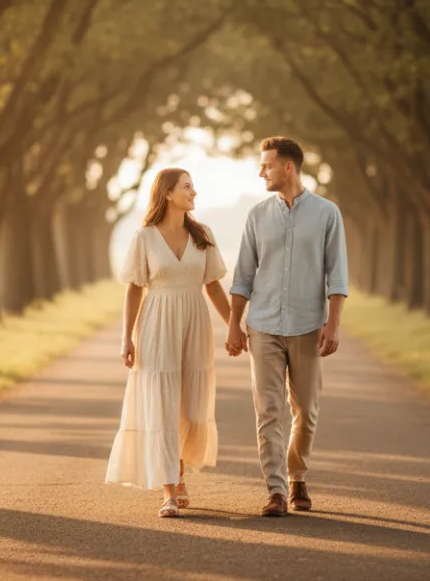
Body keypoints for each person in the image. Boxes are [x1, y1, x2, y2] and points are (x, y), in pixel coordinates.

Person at [226, 136, 348, 517]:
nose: (261, 172)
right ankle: (277, 490)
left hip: (308, 325)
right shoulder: (257, 215)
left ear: (288, 167)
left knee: (306, 411)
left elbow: (337, 276)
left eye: (267, 165)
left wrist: (333, 325)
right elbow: (243, 275)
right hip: (262, 325)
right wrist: (234, 324)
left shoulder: (328, 213)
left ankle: (297, 476)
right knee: (268, 410)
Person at [106, 168, 231, 518]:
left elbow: (213, 286)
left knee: (190, 408)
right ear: (168, 193)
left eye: (193, 185)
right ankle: (169, 491)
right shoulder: (144, 237)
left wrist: (235, 326)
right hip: (156, 323)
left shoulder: (202, 234)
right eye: (187, 187)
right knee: (161, 406)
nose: (194, 192)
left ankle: (177, 470)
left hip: (195, 321)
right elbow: (134, 288)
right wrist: (126, 337)